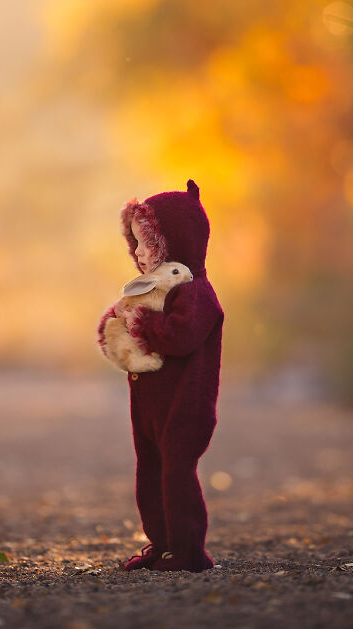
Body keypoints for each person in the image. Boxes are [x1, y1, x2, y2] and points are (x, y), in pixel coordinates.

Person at [97, 179, 224, 572]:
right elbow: (125, 320)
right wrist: (118, 323)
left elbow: (180, 337)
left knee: (176, 475)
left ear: (174, 243)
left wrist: (145, 324)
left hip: (186, 405)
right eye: (132, 242)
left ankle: (188, 551)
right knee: (150, 473)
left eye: (145, 242)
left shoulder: (197, 292)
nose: (136, 251)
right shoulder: (153, 288)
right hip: (151, 404)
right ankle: (162, 542)